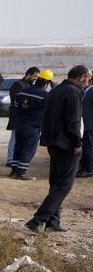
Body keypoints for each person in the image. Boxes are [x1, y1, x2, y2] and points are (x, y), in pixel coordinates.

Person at [26, 66, 90, 232]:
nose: (87, 83)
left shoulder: (56, 90)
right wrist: (77, 144)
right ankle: (38, 219)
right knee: (65, 184)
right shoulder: (73, 92)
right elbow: (73, 121)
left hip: (53, 142)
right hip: (66, 144)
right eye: (88, 79)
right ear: (82, 77)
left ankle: (53, 222)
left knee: (56, 183)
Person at [9, 70, 53, 180]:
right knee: (28, 149)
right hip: (33, 126)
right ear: (47, 83)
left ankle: (14, 171)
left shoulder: (22, 92)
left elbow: (15, 106)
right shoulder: (45, 96)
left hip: (19, 124)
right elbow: (49, 112)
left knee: (18, 147)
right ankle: (21, 172)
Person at [5, 66, 39, 166]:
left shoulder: (30, 86)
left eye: (37, 77)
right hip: (17, 117)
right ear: (28, 75)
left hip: (26, 119)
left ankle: (18, 159)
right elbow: (17, 101)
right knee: (14, 138)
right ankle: (11, 159)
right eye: (34, 76)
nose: (35, 79)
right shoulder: (18, 85)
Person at [80, 79, 93, 178]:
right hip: (86, 124)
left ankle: (88, 169)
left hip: (90, 125)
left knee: (89, 147)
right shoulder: (89, 89)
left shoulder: (91, 90)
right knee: (87, 146)